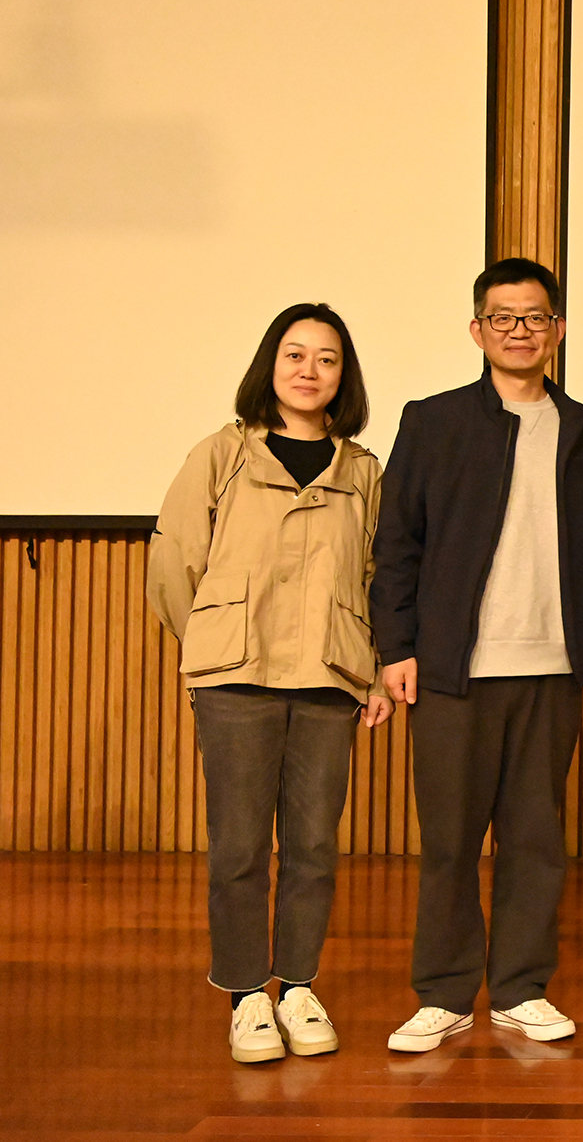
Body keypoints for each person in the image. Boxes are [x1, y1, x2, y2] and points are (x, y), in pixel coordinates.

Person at [371, 257, 583, 1053]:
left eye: (534, 317)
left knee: (536, 840)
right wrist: (396, 646)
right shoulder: (433, 421)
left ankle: (521, 989)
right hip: (453, 670)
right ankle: (442, 994)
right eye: (503, 317)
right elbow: (396, 543)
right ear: (478, 330)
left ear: (557, 330)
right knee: (449, 841)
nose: (519, 331)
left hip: (550, 666)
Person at [148, 303, 389, 1063]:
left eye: (326, 358)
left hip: (328, 676)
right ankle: (248, 994)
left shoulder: (363, 471)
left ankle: (299, 987)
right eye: (294, 354)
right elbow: (175, 562)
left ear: (344, 375)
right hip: (236, 678)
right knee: (240, 845)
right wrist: (214, 639)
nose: (309, 371)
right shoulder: (222, 454)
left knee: (314, 843)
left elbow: (379, 576)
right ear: (270, 365)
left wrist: (374, 670)